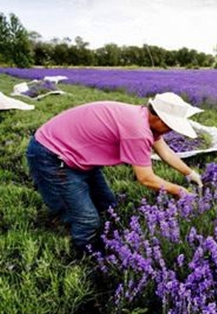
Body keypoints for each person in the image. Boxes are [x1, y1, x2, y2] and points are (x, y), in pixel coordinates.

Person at [26, 93, 203, 255]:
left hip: (75, 153)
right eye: (169, 126)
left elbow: (165, 151)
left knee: (108, 205)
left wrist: (189, 173)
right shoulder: (137, 130)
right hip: (51, 155)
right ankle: (83, 257)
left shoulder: (143, 117)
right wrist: (180, 191)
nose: (170, 131)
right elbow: (146, 178)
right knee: (87, 221)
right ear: (159, 118)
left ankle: (101, 238)